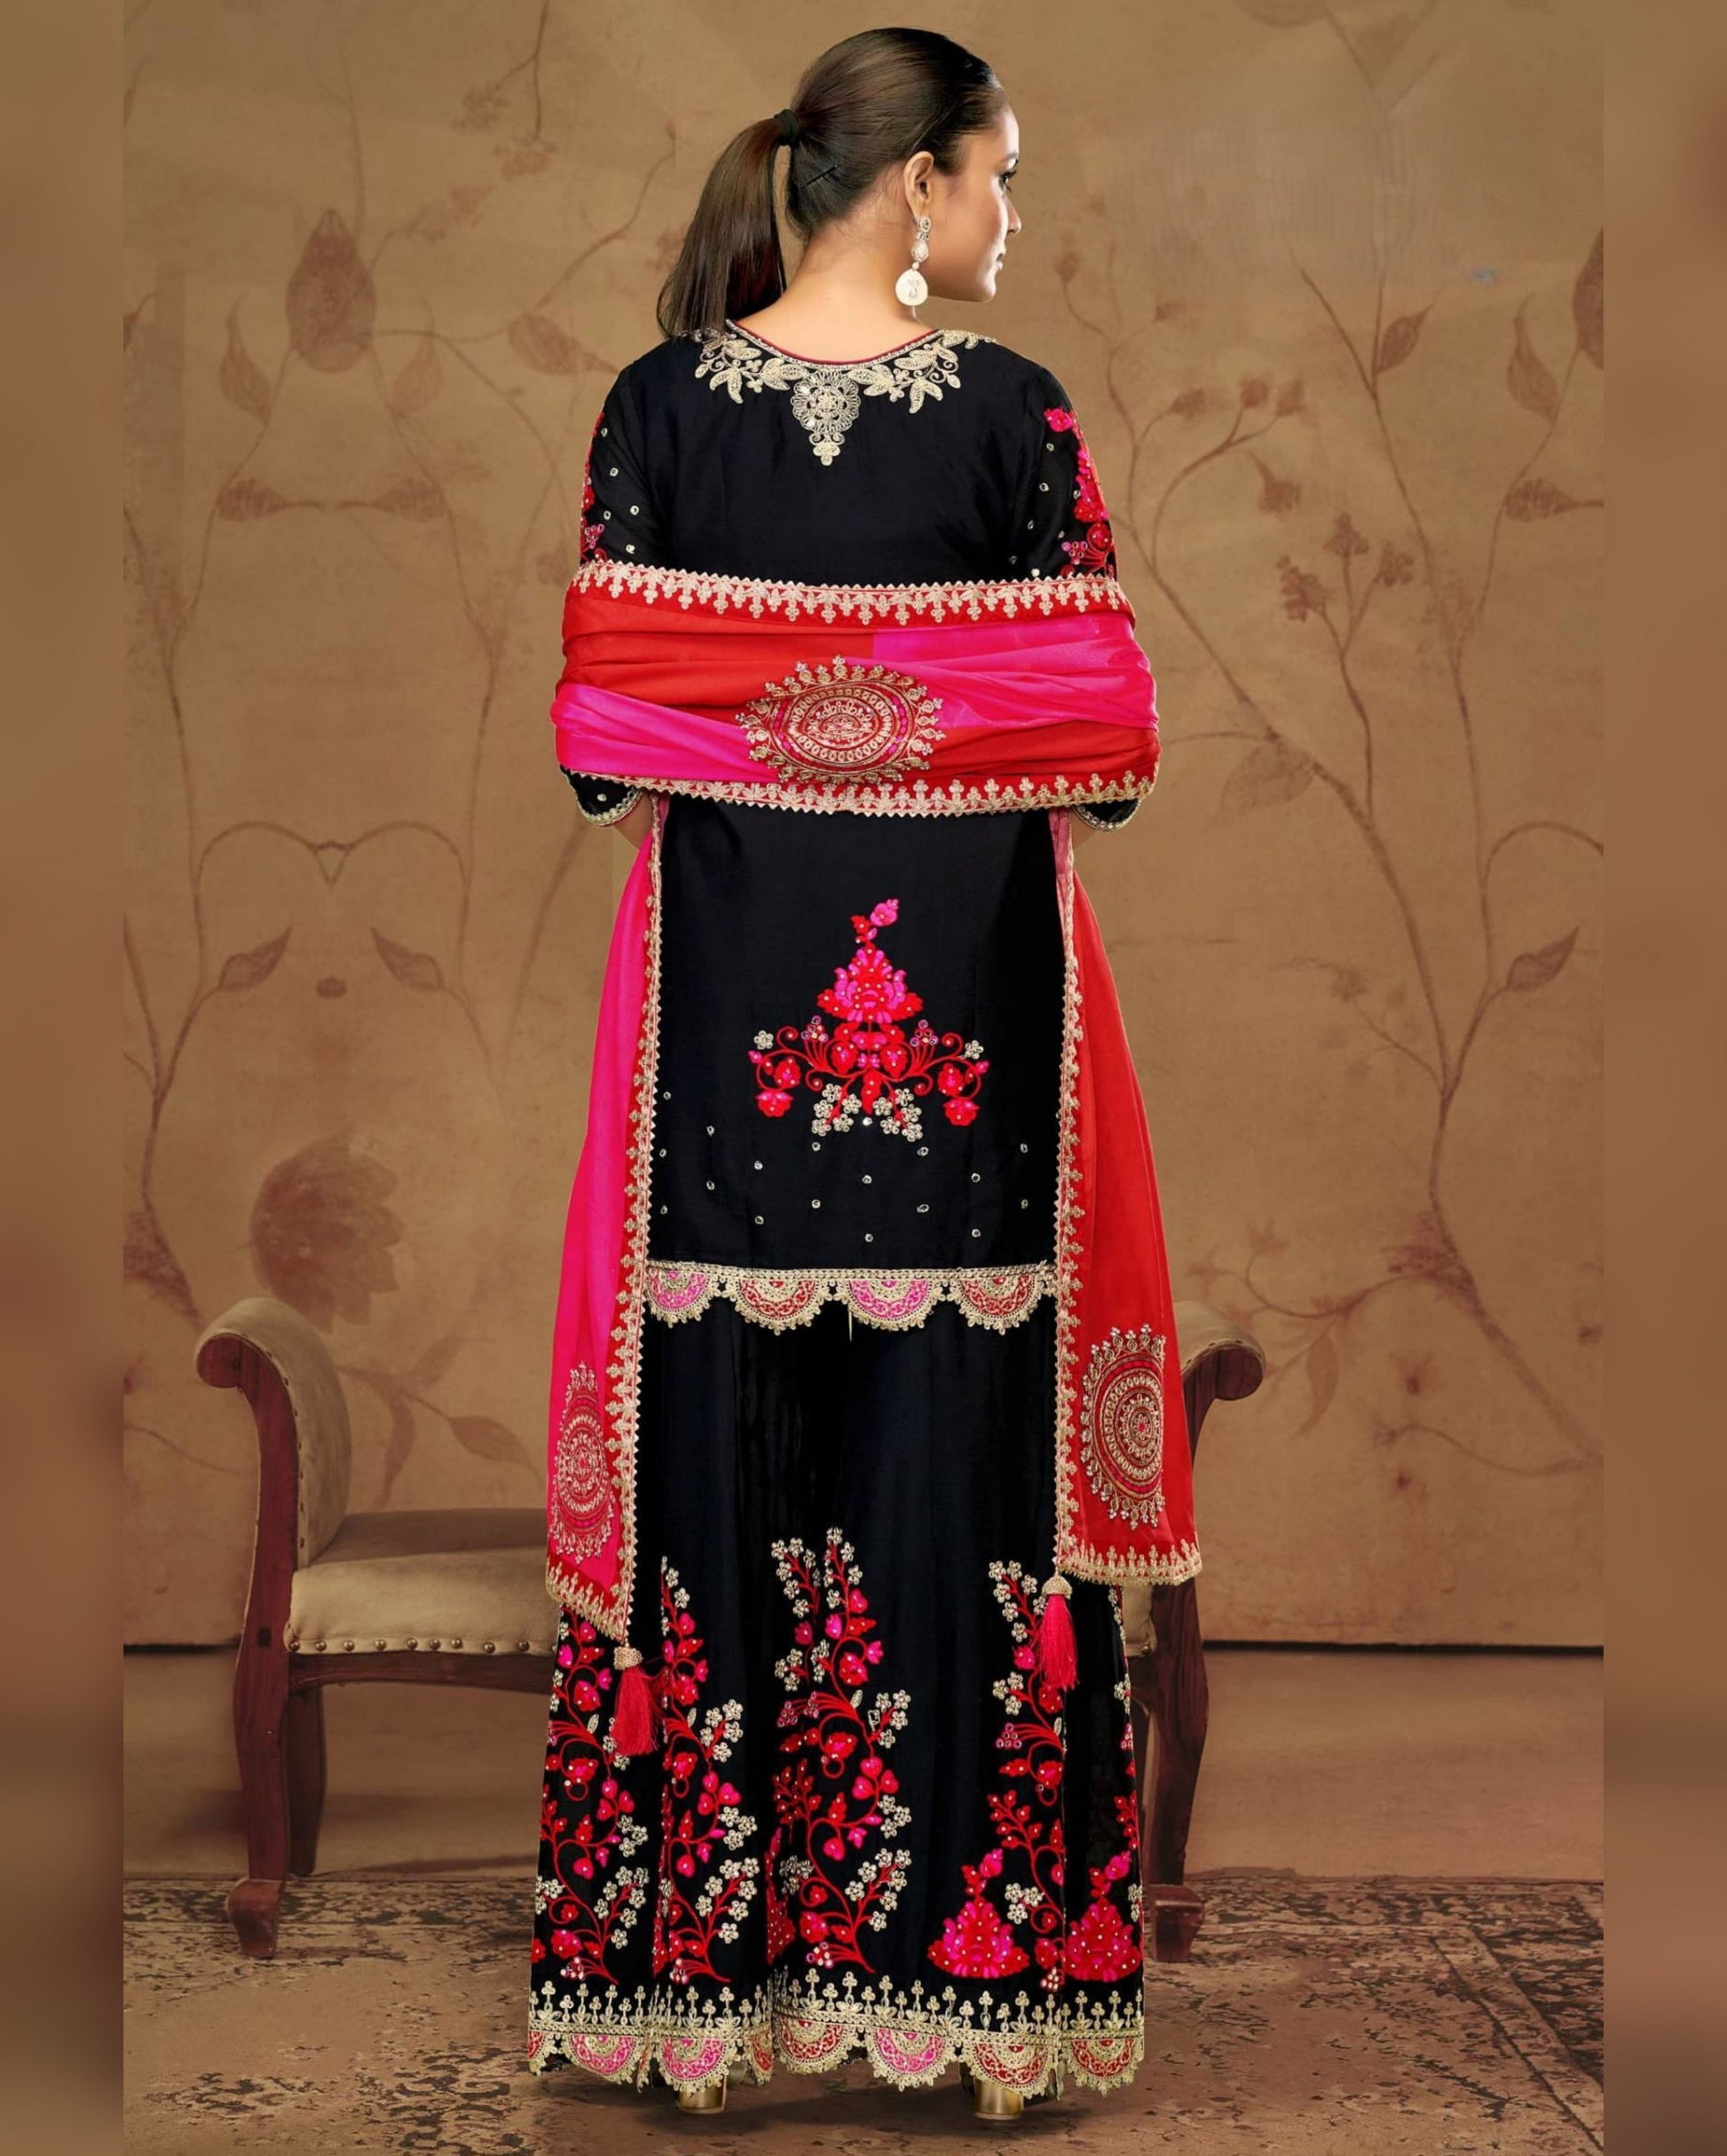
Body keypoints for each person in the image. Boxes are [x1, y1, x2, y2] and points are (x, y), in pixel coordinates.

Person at [525, 27, 1199, 2122]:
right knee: (952, 1456)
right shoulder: (1016, 422)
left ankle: (699, 1998)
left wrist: (774, 699)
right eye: (1001, 172)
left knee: (729, 1452)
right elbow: (1087, 736)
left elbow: (619, 735)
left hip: (727, 1030)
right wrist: (939, 705)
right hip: (966, 1040)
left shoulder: (655, 415)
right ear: (917, 188)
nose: (1015, 214)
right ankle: (971, 1993)